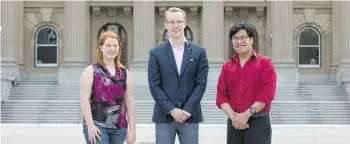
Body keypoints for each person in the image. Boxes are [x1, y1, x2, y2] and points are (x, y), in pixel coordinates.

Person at [147, 7, 209, 144]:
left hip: (190, 116)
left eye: (179, 21)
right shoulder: (155, 53)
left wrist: (187, 110)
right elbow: (154, 85)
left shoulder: (199, 52)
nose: (176, 25)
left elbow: (201, 83)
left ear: (185, 23)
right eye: (172, 22)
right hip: (164, 117)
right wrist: (172, 110)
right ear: (166, 24)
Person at [216, 22, 277, 144]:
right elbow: (221, 97)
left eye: (243, 38)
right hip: (234, 123)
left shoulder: (265, 63)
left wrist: (246, 115)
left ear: (252, 39)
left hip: (258, 122)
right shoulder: (227, 66)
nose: (239, 42)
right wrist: (234, 118)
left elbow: (266, 95)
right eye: (235, 38)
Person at [80, 31, 136, 144]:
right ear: (101, 47)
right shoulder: (91, 71)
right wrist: (90, 126)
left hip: (119, 128)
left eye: (115, 46)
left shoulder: (125, 73)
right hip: (97, 126)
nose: (112, 49)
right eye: (108, 45)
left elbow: (130, 103)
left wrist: (133, 130)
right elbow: (84, 100)